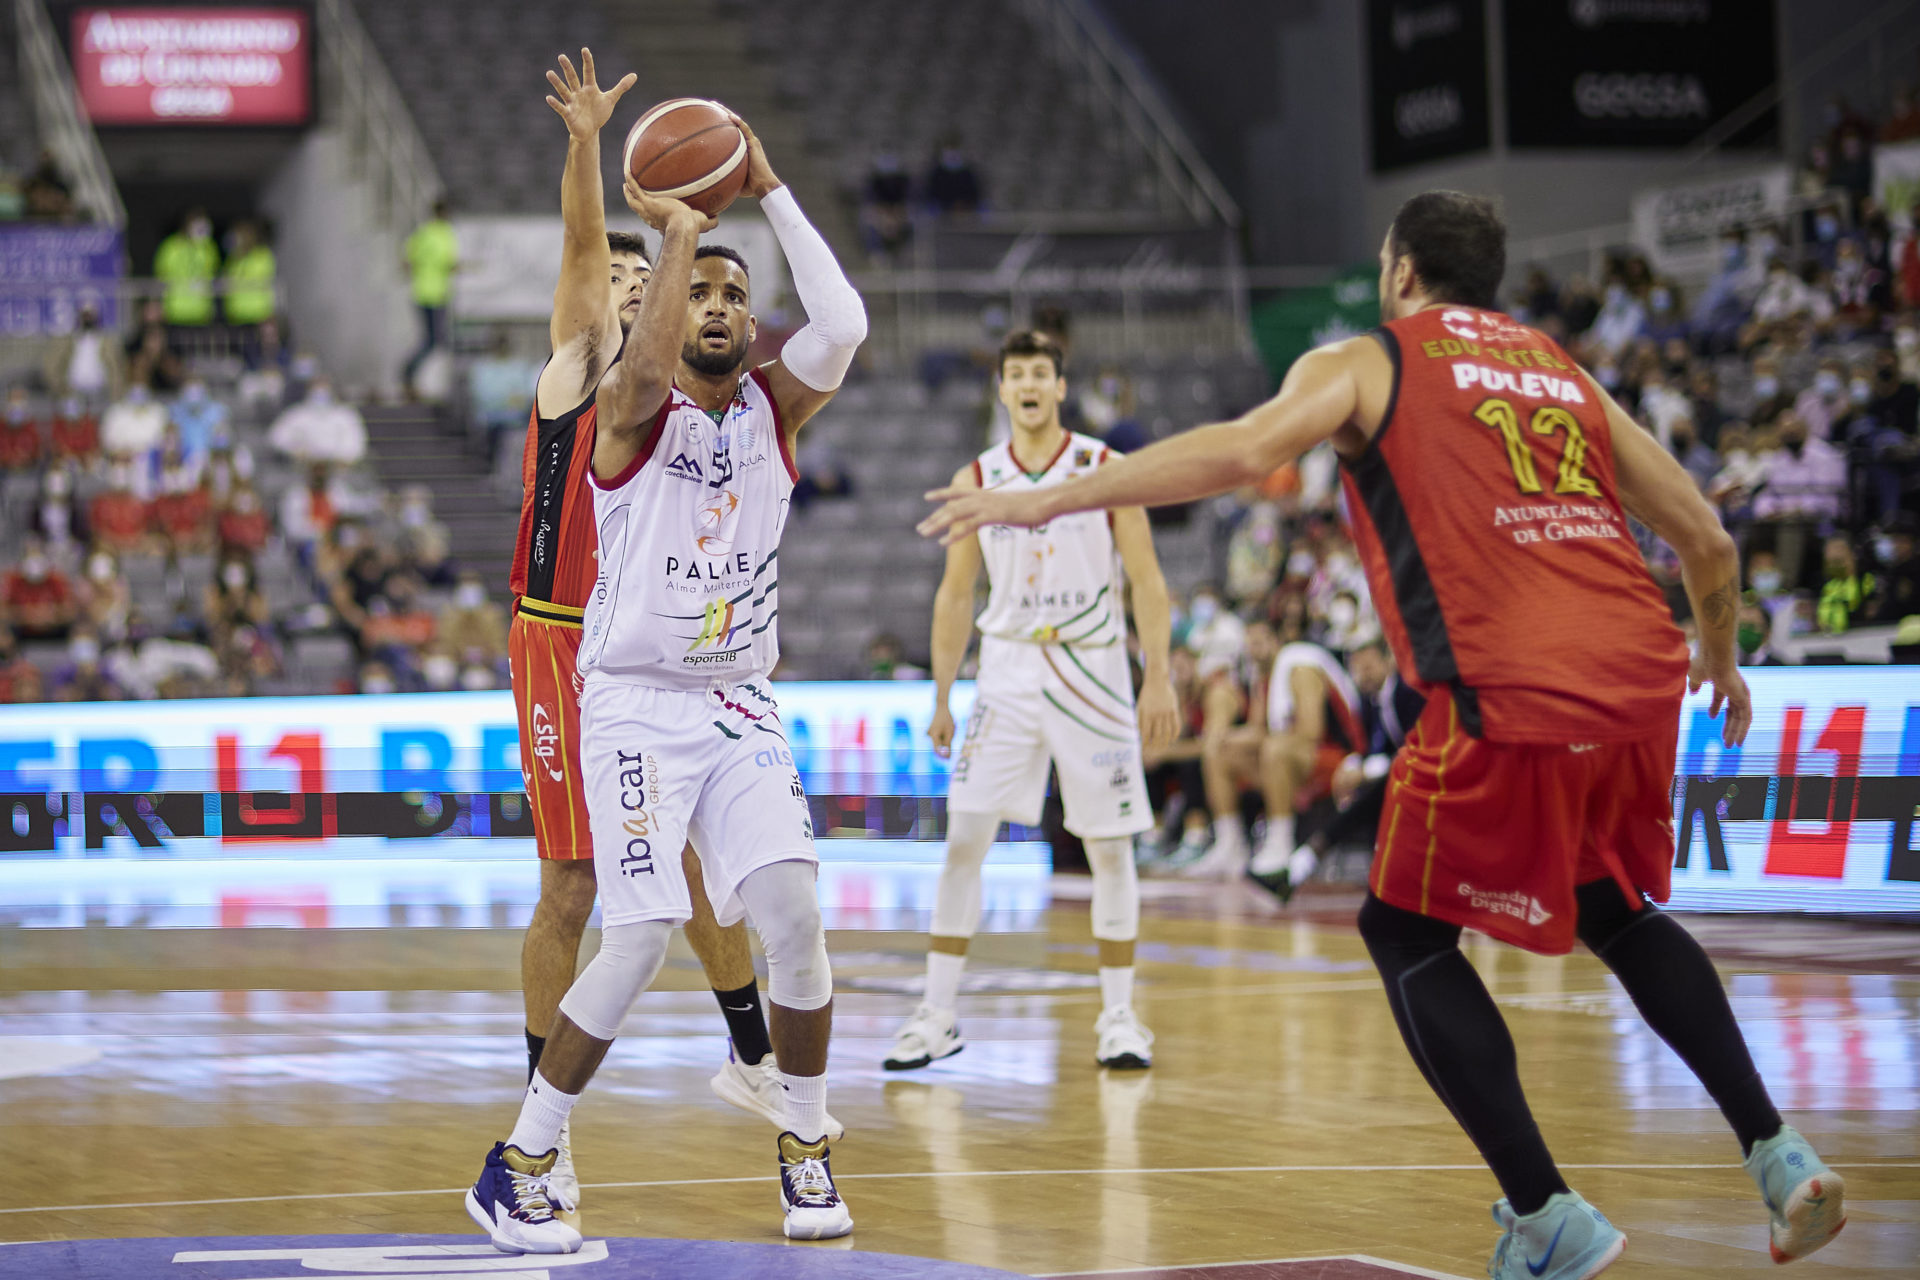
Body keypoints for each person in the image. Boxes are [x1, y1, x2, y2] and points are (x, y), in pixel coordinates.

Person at [922, 190, 1846, 1277]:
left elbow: (1243, 449)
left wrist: (1049, 500)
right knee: (1616, 907)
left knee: (1404, 932)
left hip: (1508, 684)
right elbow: (1710, 541)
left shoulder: (1369, 360)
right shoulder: (1563, 371)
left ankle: (1546, 1212)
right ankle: (1779, 1154)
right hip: (1642, 680)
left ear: (1402, 272)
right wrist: (1721, 659)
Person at [465, 53, 865, 1254]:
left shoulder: (771, 406)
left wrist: (767, 185)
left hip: (736, 696)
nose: (701, 298)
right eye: (681, 287)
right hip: (605, 670)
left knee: (791, 910)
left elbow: (841, 324)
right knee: (602, 908)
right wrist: (622, 179)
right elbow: (600, 286)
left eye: (727, 290)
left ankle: (797, 1126)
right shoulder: (616, 390)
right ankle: (529, 1147)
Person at [885, 330, 1176, 1075]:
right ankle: (936, 1014)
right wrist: (943, 695)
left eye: (1040, 373)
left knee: (1110, 847)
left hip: (1093, 668)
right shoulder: (979, 477)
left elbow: (1146, 580)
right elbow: (956, 594)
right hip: (1008, 670)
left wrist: (1159, 676)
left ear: (1060, 386)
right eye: (1016, 374)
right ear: (1003, 390)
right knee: (964, 839)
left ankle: (1120, 1017)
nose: (1028, 385)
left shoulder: (1105, 468)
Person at [403, 199, 460, 392]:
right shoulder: (445, 234)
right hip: (437, 295)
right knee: (437, 341)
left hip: (421, 292)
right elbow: (450, 264)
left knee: (432, 340)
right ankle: (411, 373)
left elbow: (407, 261)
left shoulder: (422, 232)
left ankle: (413, 376)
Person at [155, 209, 220, 331]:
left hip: (202, 313)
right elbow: (160, 277)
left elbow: (214, 272)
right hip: (175, 312)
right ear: (186, 224)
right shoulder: (170, 247)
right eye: (197, 222)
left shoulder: (208, 247)